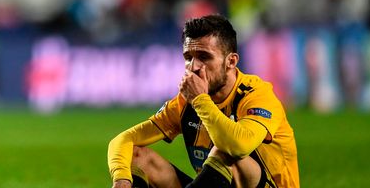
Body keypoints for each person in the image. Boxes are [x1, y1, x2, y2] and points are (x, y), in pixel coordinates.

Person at [107, 15, 299, 188]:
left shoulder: (256, 95)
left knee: (226, 152)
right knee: (136, 157)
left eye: (204, 57)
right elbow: (123, 140)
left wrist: (200, 99)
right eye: (188, 57)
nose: (194, 67)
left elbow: (238, 147)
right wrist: (122, 179)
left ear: (231, 61)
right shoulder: (184, 103)